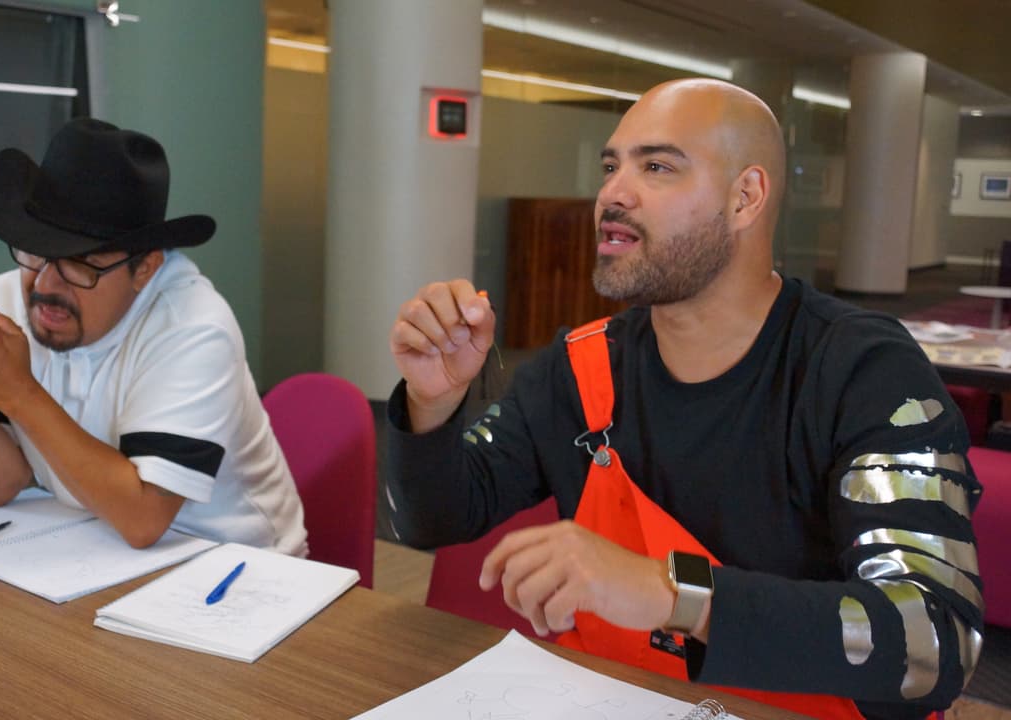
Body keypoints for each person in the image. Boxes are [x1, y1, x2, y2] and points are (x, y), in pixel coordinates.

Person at [386, 79, 982, 719]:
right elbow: (433, 521)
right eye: (611, 166)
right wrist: (433, 403)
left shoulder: (863, 371)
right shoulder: (582, 366)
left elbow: (935, 640)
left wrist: (672, 591)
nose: (613, 193)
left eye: (658, 166)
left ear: (745, 197)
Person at [0, 117, 307, 556]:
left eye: (81, 263)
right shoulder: (7, 295)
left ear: (145, 268)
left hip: (231, 563)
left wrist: (18, 390)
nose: (46, 284)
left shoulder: (194, 326)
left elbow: (144, 519)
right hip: (90, 540)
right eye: (36, 249)